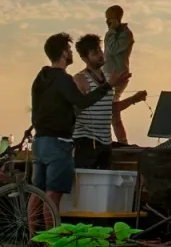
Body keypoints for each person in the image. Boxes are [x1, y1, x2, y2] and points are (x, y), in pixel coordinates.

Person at [30, 33, 111, 200]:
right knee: (53, 193)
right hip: (58, 142)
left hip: (40, 140)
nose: (71, 53)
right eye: (69, 49)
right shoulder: (63, 79)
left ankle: (34, 227)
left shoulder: (40, 78)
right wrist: (108, 86)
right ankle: (52, 227)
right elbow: (81, 102)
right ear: (64, 53)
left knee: (38, 193)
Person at [71, 33, 144, 171]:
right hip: (86, 141)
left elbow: (111, 108)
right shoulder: (80, 79)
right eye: (94, 53)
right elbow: (75, 109)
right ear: (84, 58)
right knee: (87, 183)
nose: (100, 55)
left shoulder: (108, 79)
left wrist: (134, 99)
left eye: (100, 50)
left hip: (105, 141)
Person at [102, 4, 136, 143]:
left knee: (110, 110)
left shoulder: (125, 34)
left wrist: (111, 32)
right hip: (108, 76)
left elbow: (112, 49)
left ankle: (120, 142)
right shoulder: (112, 33)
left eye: (109, 19)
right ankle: (123, 142)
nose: (107, 22)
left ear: (116, 19)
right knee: (113, 115)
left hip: (118, 76)